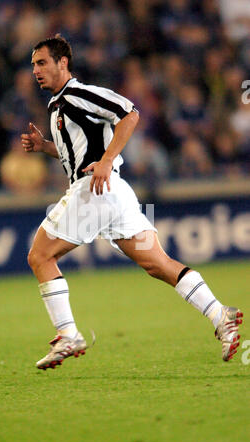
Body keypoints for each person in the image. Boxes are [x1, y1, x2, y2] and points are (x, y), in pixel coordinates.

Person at [21, 35, 243, 370]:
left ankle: (68, 334)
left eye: (42, 62)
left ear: (62, 63)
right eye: (33, 64)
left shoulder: (79, 94)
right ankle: (219, 313)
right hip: (115, 195)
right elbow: (78, 153)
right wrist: (45, 147)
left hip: (95, 190)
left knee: (39, 255)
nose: (35, 70)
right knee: (158, 264)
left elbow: (130, 113)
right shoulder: (59, 107)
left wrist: (108, 160)